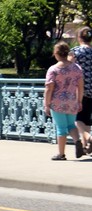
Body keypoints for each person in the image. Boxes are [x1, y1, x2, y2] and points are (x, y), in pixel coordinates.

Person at [44, 41, 84, 161]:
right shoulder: (76, 68)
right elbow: (81, 86)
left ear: (55, 53)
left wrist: (46, 104)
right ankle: (77, 141)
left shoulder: (53, 69)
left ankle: (61, 154)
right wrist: (79, 101)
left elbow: (49, 88)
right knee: (71, 125)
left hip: (57, 102)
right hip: (72, 101)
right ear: (67, 53)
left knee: (61, 128)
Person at [70, 26, 92, 156]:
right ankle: (86, 146)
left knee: (77, 119)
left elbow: (68, 68)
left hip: (79, 89)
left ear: (79, 38)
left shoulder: (75, 52)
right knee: (87, 119)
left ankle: (88, 137)